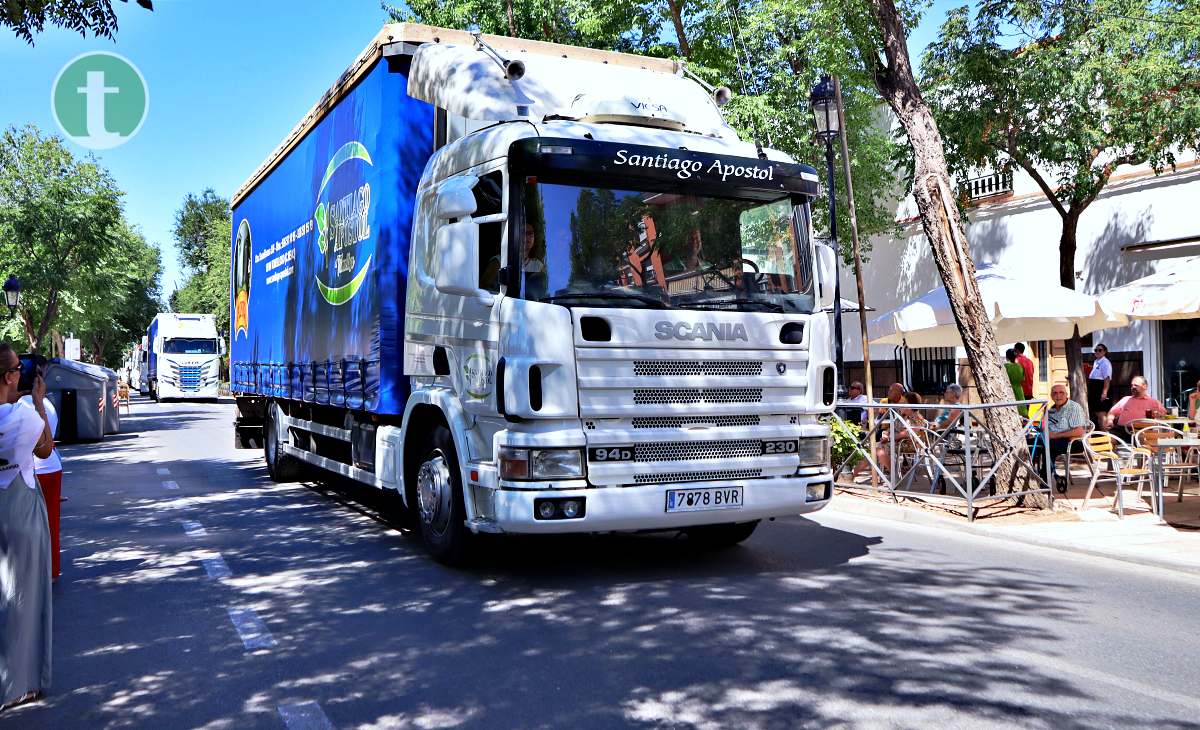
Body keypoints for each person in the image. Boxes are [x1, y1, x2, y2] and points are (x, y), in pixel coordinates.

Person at [0, 343, 55, 709]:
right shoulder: (23, 419)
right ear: (8, 377)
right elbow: (46, 449)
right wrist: (37, 401)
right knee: (23, 598)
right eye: (18, 367)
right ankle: (19, 684)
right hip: (21, 514)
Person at [12, 385, 61, 580]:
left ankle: (31, 573)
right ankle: (52, 568)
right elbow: (50, 438)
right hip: (51, 466)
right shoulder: (46, 403)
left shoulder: (15, 407)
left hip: (30, 470)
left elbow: (39, 447)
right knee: (51, 523)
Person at [1045, 383, 1086, 492]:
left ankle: (1044, 480)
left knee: (1049, 447)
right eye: (1055, 393)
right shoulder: (1051, 410)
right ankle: (1041, 476)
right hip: (1054, 440)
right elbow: (1045, 426)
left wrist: (1055, 435)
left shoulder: (1073, 407)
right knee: (1034, 445)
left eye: (1061, 393)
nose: (1058, 396)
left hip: (1073, 442)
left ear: (1066, 394)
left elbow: (1079, 431)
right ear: (1051, 396)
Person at [1107, 375, 1165, 442]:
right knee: (1108, 439)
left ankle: (1141, 451)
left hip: (1142, 430)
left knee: (1144, 440)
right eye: (1132, 385)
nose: (1133, 387)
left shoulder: (1153, 402)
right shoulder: (1126, 399)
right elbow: (1112, 413)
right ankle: (1111, 452)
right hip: (1122, 429)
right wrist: (1110, 421)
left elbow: (1163, 414)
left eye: (1136, 385)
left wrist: (1157, 415)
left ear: (1145, 386)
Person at [1087, 344, 1113, 430]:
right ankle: (1102, 435)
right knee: (1097, 413)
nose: (1097, 352)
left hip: (1100, 388)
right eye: (1096, 350)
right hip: (1094, 388)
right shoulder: (1096, 362)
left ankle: (1105, 435)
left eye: (1100, 350)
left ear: (1105, 352)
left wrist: (1104, 392)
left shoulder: (1105, 362)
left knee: (1101, 414)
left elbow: (1107, 378)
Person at [1004, 349, 1028, 416]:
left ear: (1007, 357)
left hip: (1010, 390)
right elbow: (1023, 379)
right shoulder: (1019, 366)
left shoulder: (1005, 367)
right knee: (1022, 409)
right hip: (1019, 389)